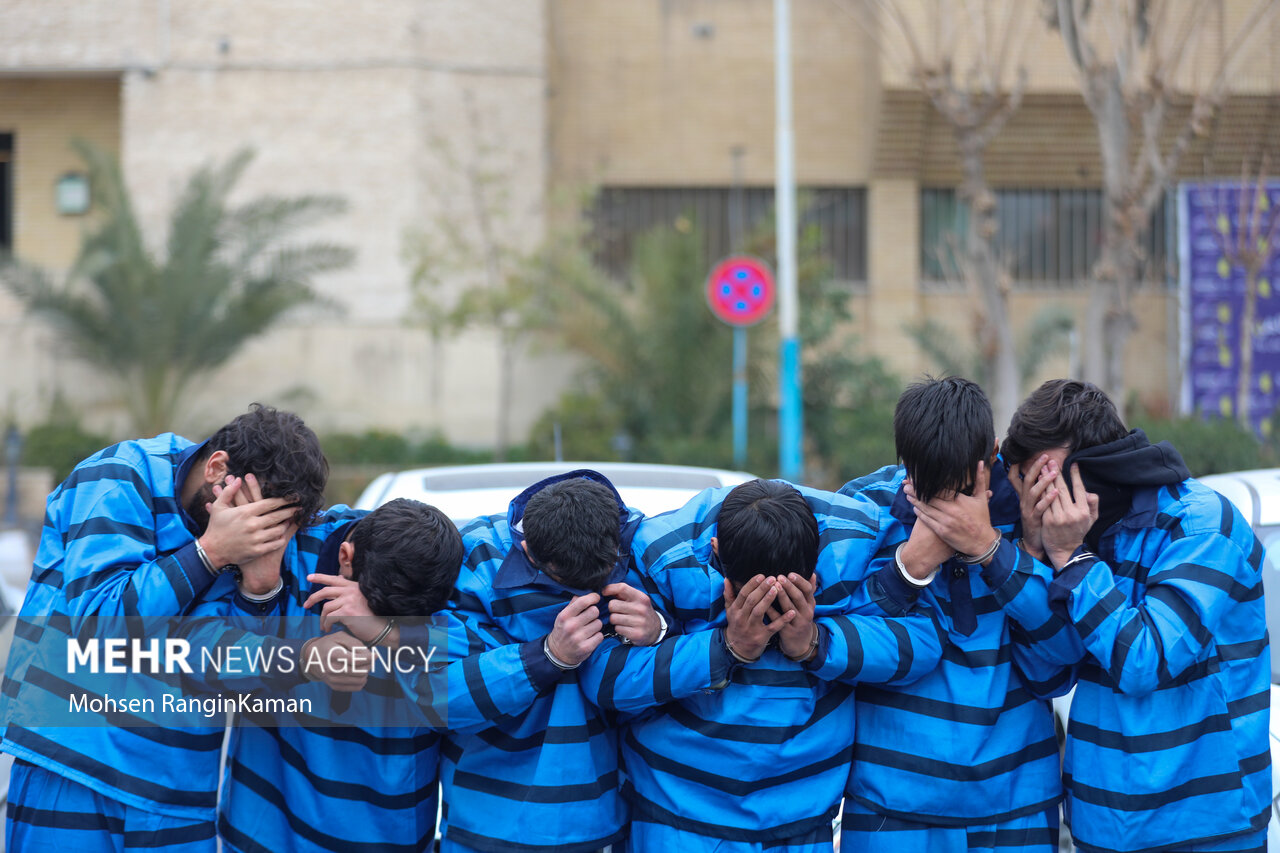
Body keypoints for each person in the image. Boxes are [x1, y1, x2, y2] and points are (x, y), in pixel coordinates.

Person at [0, 403, 328, 853]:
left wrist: (261, 586)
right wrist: (211, 551)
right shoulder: (119, 474)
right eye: (255, 519)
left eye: (277, 528)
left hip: (180, 790)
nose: (262, 535)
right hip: (73, 762)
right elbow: (97, 627)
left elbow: (245, 678)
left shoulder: (268, 543)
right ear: (217, 468)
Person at [969, 379, 1270, 853]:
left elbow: (1143, 662)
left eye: (1046, 479)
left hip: (1204, 825)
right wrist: (1033, 551)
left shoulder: (1201, 525)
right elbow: (1047, 675)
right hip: (1101, 825)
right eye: (1028, 483)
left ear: (1087, 465)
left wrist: (1073, 559)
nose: (1040, 496)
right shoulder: (1080, 532)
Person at [178, 496, 572, 853]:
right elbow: (196, 661)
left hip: (386, 836)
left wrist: (390, 632)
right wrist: (297, 649)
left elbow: (486, 651)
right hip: (266, 831)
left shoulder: (444, 569)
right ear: (345, 557)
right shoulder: (283, 552)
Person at [578, 477, 944, 852]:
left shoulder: (855, 541)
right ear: (715, 553)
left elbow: (924, 642)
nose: (769, 612)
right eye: (750, 595)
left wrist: (813, 643)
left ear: (815, 561)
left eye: (785, 595)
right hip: (679, 820)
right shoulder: (660, 555)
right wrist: (726, 647)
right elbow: (604, 680)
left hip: (804, 824)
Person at [837, 376, 1078, 852]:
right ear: (905, 463)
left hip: (1017, 809)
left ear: (991, 455)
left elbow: (1062, 660)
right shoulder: (864, 509)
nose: (948, 507)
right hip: (893, 810)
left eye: (964, 489)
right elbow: (831, 640)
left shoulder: (1036, 507)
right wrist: (912, 565)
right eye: (931, 493)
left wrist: (993, 551)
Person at [432, 470, 665, 853]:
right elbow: (435, 697)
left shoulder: (647, 553)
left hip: (601, 829)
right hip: (486, 830)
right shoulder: (470, 559)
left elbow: (690, 667)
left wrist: (659, 629)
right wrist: (547, 656)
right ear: (527, 552)